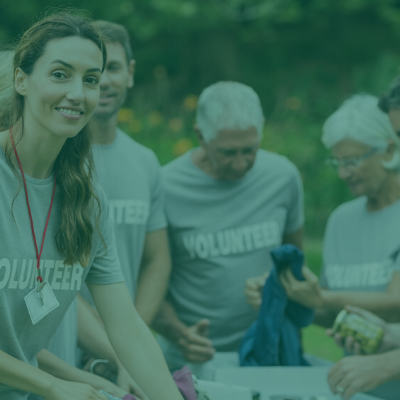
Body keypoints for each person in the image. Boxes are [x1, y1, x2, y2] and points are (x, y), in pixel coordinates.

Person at [0, 11, 183, 400]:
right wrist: (54, 386)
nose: (77, 94)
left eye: (90, 80)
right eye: (60, 74)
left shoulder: (88, 196)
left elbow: (126, 327)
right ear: (21, 79)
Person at [152, 81, 304, 373]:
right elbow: (146, 278)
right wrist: (178, 333)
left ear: (261, 129)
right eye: (227, 152)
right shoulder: (165, 187)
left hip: (267, 352)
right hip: (190, 359)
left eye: (250, 150)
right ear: (200, 135)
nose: (240, 164)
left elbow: (294, 262)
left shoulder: (283, 177)